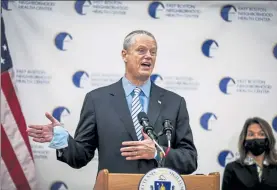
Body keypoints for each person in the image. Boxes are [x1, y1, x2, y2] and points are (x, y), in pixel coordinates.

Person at [27, 30, 198, 175]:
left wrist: (157, 153)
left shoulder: (175, 103)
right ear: (125, 55)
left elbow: (190, 159)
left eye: (153, 52)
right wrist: (61, 139)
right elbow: (80, 157)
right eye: (141, 50)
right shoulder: (97, 100)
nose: (148, 56)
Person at [222, 117, 277, 190]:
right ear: (244, 140)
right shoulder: (232, 168)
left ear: (268, 139)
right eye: (251, 134)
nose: (256, 137)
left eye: (261, 134)